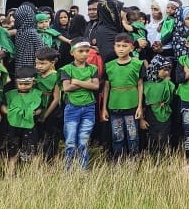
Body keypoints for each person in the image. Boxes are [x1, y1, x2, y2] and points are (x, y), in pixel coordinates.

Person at [101, 33, 143, 158]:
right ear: (114, 47)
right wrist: (104, 108)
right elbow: (106, 87)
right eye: (118, 46)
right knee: (117, 136)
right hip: (114, 105)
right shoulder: (109, 65)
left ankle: (133, 161)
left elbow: (140, 85)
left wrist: (140, 107)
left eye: (124, 46)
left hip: (131, 104)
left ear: (131, 47)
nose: (121, 49)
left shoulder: (138, 64)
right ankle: (119, 161)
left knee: (132, 135)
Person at [61, 41, 100, 170]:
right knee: (70, 140)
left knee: (83, 139)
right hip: (72, 108)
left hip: (89, 107)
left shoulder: (93, 68)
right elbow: (66, 88)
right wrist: (87, 83)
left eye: (87, 51)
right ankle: (68, 169)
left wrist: (77, 81)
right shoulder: (66, 69)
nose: (84, 54)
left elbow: (96, 86)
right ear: (72, 52)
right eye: (80, 51)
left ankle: (83, 169)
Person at [4, 69, 44, 165]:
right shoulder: (10, 94)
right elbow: (3, 106)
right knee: (13, 151)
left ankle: (34, 171)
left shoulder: (37, 94)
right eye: (20, 84)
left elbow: (40, 108)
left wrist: (35, 113)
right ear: (16, 83)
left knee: (32, 150)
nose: (23, 86)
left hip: (30, 126)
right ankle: (11, 171)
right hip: (14, 125)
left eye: (27, 84)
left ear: (33, 82)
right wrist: (9, 112)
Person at [142, 56, 175, 155]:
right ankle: (153, 156)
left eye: (168, 70)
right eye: (164, 70)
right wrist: (141, 119)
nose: (166, 72)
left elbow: (170, 97)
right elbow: (143, 102)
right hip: (150, 113)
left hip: (164, 112)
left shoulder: (167, 83)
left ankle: (164, 156)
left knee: (164, 135)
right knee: (152, 135)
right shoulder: (146, 85)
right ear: (155, 69)